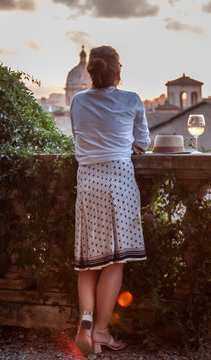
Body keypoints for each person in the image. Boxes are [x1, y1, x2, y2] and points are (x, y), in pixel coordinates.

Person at [70, 45, 150, 356]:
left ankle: (85, 322)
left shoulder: (77, 101)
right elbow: (141, 142)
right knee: (115, 259)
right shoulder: (131, 99)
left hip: (88, 181)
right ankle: (101, 331)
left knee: (88, 260)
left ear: (90, 73)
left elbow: (78, 136)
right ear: (118, 74)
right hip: (118, 180)